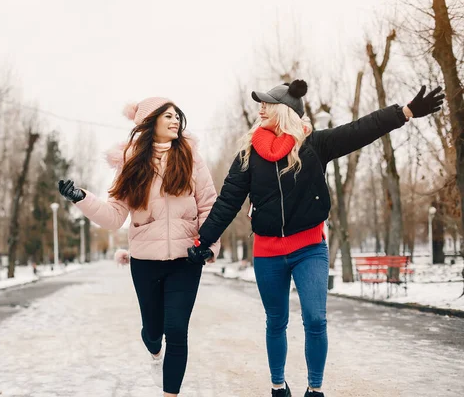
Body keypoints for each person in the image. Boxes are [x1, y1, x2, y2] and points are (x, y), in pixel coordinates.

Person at [187, 80, 444, 397]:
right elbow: (227, 202)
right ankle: (278, 386)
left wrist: (404, 112)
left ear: (285, 111)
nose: (261, 108)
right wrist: (203, 241)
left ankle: (315, 388)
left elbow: (360, 130)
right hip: (267, 253)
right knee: (276, 321)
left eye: (268, 103)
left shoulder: (314, 147)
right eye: (261, 104)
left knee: (315, 318)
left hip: (309, 249)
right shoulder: (248, 155)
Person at [58, 97, 220, 397]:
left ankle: (169, 393)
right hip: (145, 261)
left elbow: (209, 204)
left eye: (177, 116)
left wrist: (207, 245)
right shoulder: (130, 163)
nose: (175, 121)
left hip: (187, 259)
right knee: (154, 331)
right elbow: (113, 215)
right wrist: (81, 197)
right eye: (168, 116)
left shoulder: (191, 157)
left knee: (177, 331)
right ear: (150, 122)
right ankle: (154, 349)